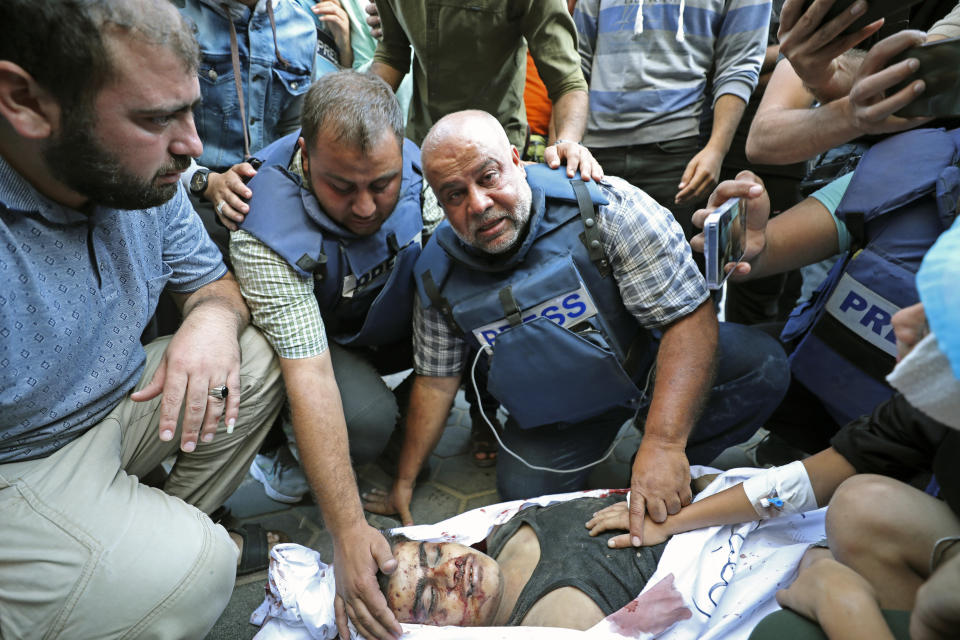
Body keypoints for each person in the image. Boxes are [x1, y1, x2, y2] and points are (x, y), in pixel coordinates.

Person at [364, 110, 789, 550]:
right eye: (454, 195)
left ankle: (670, 463)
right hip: (562, 411)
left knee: (764, 368)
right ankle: (634, 460)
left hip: (650, 364)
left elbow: (688, 316)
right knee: (523, 502)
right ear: (437, 200)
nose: (478, 204)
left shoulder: (604, 208)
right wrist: (406, 480)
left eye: (488, 177)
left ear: (516, 160)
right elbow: (435, 383)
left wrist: (664, 445)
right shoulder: (437, 275)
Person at [0, 1, 286, 637]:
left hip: (116, 406)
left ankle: (137, 541)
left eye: (190, 107)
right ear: (25, 101)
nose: (192, 146)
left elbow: (212, 285)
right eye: (155, 118)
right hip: (18, 461)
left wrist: (209, 322)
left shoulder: (140, 176)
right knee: (201, 569)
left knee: (258, 355)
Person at [231, 69, 431, 640]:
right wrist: (348, 529)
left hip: (384, 315)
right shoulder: (260, 222)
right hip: (316, 340)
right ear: (304, 154)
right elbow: (311, 371)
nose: (366, 207)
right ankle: (283, 448)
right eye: (341, 187)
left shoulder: (422, 167)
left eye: (383, 184)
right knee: (364, 419)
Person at [573, 0, 770, 240]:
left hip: (675, 151)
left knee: (667, 268)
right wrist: (567, 144)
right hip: (592, 152)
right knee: (581, 267)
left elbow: (739, 63)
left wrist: (716, 149)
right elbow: (576, 61)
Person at [368, 0, 603, 182]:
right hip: (424, 146)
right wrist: (358, 112)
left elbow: (567, 80)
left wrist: (567, 143)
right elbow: (391, 52)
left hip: (497, 152)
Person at [376, 495, 683, 630]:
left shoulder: (502, 531)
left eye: (435, 554)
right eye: (431, 598)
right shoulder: (561, 629)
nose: (451, 570)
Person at [746, 0, 960, 166]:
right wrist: (846, 110)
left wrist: (836, 83)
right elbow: (763, 138)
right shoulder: (835, 11)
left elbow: (921, 73)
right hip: (858, 172)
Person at [177, 0, 317, 251]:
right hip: (190, 187)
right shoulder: (173, 17)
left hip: (271, 191)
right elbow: (157, 131)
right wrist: (205, 182)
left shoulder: (301, 26)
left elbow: (295, 128)